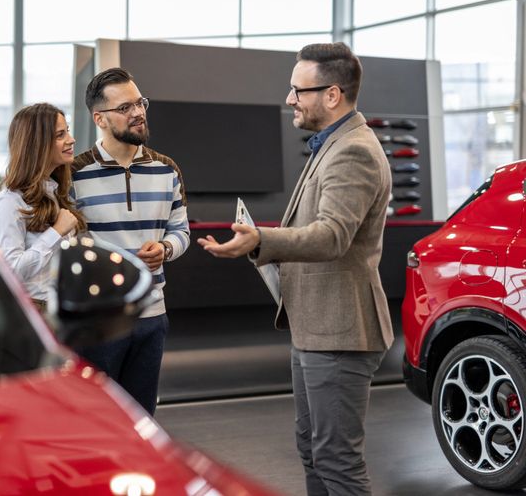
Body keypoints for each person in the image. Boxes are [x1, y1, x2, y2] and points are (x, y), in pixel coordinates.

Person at [198, 42, 393, 496]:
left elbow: (332, 236)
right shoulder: (333, 144)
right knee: (314, 451)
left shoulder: (354, 151)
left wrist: (262, 240)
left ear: (332, 95)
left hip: (340, 332)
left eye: (298, 90)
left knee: (337, 459)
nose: (290, 99)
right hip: (317, 328)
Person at [71, 67, 190, 415]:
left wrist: (165, 249)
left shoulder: (167, 169)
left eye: (140, 103)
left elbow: (181, 232)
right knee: (97, 421)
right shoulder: (73, 174)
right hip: (96, 320)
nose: (138, 113)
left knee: (142, 421)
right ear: (100, 118)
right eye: (125, 107)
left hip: (152, 315)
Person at [0, 103, 86, 312]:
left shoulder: (54, 192)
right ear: (37, 144)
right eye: (60, 135)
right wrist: (56, 232)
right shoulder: (9, 202)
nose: (71, 139)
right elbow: (10, 272)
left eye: (67, 131)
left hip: (61, 307)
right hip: (33, 309)